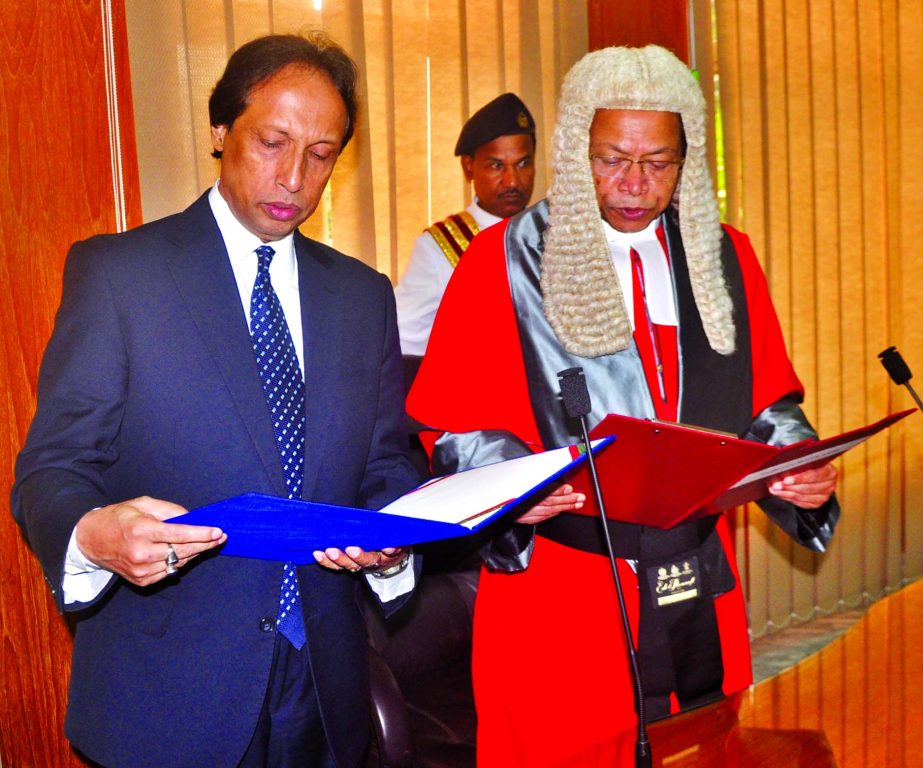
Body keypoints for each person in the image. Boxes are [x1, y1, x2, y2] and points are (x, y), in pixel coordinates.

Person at [407, 45, 839, 767]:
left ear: (686, 159)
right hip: (562, 591)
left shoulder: (725, 256)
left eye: (658, 162)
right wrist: (516, 490)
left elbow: (768, 405)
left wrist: (799, 471)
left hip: (697, 573)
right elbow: (452, 425)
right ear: (578, 150)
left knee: (708, 747)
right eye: (612, 159)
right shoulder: (499, 261)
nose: (635, 184)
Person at [11, 33, 420, 768]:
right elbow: (53, 467)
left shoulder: (362, 296)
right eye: (272, 141)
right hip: (171, 693)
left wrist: (393, 540)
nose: (294, 176)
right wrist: (95, 534)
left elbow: (388, 460)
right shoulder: (120, 275)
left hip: (328, 691)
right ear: (221, 129)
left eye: (321, 154)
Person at [394, 92, 536, 356]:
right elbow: (402, 340)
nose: (513, 181)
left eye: (523, 164)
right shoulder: (441, 247)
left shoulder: (556, 232)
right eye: (496, 166)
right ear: (469, 168)